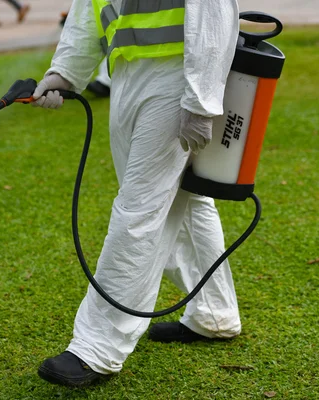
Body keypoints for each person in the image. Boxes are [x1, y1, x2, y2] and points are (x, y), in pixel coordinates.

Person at [32, 0, 241, 388]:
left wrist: (199, 99)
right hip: (126, 74)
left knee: (139, 208)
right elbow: (91, 7)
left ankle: (97, 347)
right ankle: (214, 314)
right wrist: (65, 72)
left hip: (178, 75)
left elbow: (212, 9)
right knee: (184, 199)